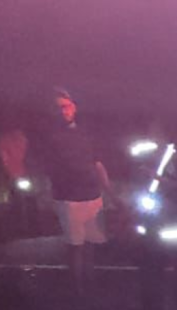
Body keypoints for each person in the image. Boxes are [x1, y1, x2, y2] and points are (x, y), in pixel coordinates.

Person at [44, 88, 110, 291]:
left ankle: (90, 284)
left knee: (91, 245)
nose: (63, 111)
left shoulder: (86, 134)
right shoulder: (49, 137)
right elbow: (46, 167)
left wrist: (109, 191)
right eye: (58, 108)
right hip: (68, 198)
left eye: (66, 106)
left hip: (93, 196)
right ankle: (76, 288)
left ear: (74, 108)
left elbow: (98, 163)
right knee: (75, 247)